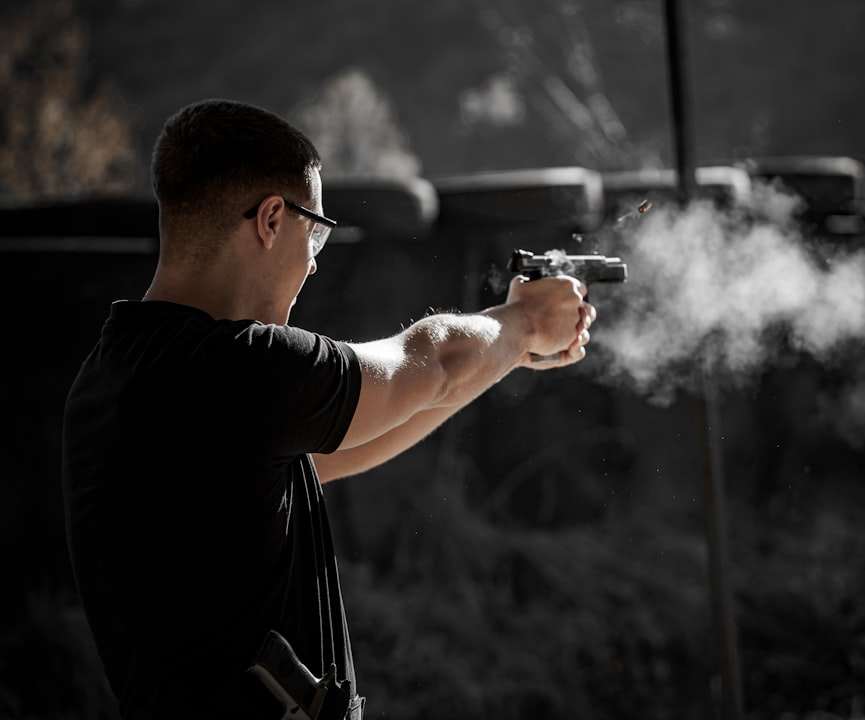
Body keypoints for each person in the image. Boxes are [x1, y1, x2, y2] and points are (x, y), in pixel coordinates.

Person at [61, 98, 596, 719]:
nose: (315, 260)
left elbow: (353, 439)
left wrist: (505, 350)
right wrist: (524, 322)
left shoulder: (114, 375)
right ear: (269, 219)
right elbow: (432, 360)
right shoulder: (240, 367)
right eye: (314, 231)